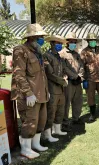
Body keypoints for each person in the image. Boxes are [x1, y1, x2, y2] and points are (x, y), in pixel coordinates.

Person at [11, 23, 49, 159]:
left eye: (42, 37)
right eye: (39, 37)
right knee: (30, 121)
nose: (41, 39)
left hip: (40, 93)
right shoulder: (20, 50)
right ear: (31, 37)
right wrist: (28, 93)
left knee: (41, 120)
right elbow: (18, 74)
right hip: (29, 94)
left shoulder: (37, 52)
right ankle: (25, 149)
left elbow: (41, 75)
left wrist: (46, 91)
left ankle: (36, 144)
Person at [43, 35, 77, 141]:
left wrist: (70, 76)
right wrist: (63, 81)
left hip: (61, 88)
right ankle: (48, 134)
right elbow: (50, 74)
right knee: (51, 111)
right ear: (52, 43)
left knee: (60, 110)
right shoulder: (46, 56)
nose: (59, 46)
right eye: (57, 43)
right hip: (52, 88)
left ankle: (57, 129)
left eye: (61, 44)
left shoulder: (59, 57)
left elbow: (64, 69)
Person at [80, 33, 99, 121]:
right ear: (88, 41)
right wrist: (83, 79)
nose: (93, 42)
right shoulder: (84, 52)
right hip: (90, 79)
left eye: (94, 40)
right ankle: (92, 114)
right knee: (91, 97)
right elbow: (82, 65)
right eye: (91, 40)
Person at [60, 32, 84, 131]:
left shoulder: (76, 54)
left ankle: (76, 118)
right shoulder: (62, 54)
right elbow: (64, 68)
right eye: (71, 41)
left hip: (78, 82)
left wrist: (80, 77)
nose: (73, 43)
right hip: (69, 82)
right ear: (67, 42)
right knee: (66, 102)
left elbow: (81, 66)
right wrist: (74, 76)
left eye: (75, 41)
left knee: (78, 101)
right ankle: (65, 122)